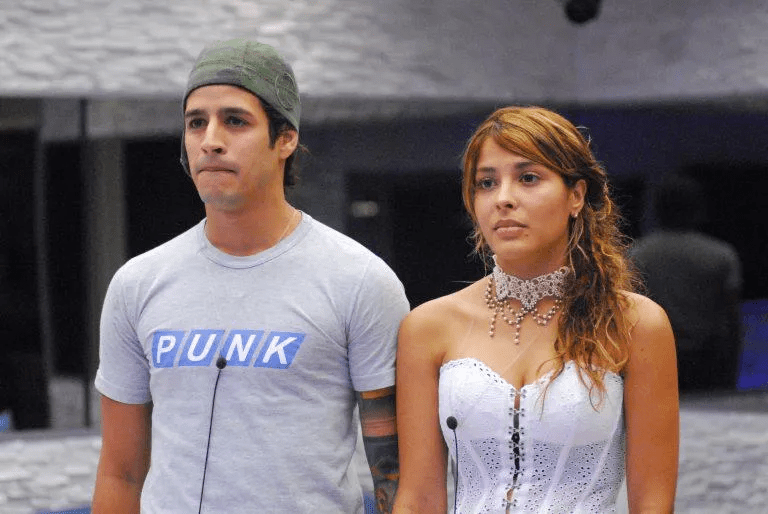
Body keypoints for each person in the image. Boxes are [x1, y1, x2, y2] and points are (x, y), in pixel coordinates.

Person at [91, 38, 409, 514]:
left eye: (235, 121)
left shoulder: (359, 280)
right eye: (196, 122)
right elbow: (121, 473)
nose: (210, 140)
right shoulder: (137, 284)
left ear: (286, 139)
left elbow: (397, 476)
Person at [393, 107, 679, 513]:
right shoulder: (427, 327)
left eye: (528, 178)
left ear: (576, 195)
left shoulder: (636, 323)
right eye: (486, 183)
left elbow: (652, 503)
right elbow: (419, 499)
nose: (503, 198)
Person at [631, 174, 742, 392]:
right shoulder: (721, 254)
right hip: (708, 360)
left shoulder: (637, 255)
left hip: (653, 358)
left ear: (657, 210)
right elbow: (732, 318)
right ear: (698, 209)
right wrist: (732, 368)